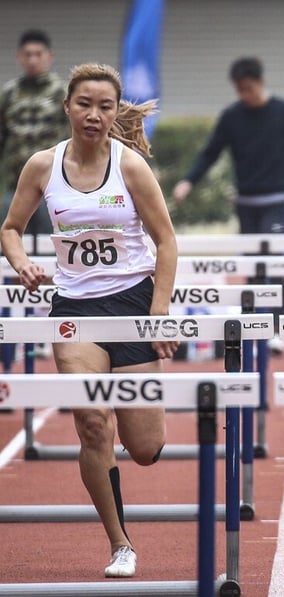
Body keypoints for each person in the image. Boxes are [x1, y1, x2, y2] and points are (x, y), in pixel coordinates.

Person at [0, 63, 178, 577]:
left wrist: (159, 313)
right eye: (84, 105)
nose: (94, 115)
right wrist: (22, 263)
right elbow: (10, 228)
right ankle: (121, 542)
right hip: (75, 309)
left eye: (104, 107)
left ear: (114, 112)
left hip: (132, 301)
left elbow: (166, 241)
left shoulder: (131, 168)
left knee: (145, 449)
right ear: (67, 108)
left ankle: (125, 436)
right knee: (93, 425)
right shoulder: (42, 165)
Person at [173, 56, 284, 355]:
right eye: (240, 90)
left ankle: (277, 327)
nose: (246, 94)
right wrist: (188, 181)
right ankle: (256, 327)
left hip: (276, 200)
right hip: (247, 202)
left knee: (274, 261)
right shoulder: (231, 117)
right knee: (252, 265)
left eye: (250, 88)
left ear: (261, 82)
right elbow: (210, 153)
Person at [1, 29, 68, 238]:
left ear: (49, 56)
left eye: (38, 54)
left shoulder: (62, 92)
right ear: (19, 56)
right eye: (27, 54)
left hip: (52, 187)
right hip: (16, 186)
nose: (32, 60)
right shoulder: (9, 93)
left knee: (52, 245)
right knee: (10, 243)